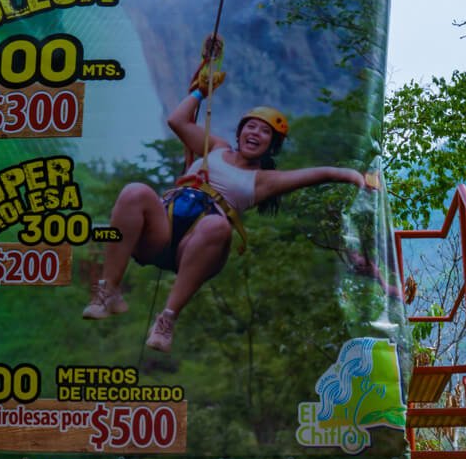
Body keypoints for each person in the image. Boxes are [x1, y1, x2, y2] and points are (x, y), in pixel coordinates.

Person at [82, 33, 378, 353]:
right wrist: (201, 90)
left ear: (271, 145)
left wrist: (357, 177)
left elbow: (317, 174)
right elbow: (177, 120)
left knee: (217, 224)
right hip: (164, 227)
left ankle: (167, 320)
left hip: (198, 243)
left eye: (265, 132)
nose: (256, 133)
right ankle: (108, 290)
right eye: (251, 126)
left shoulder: (264, 180)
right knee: (135, 191)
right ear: (239, 132)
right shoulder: (216, 148)